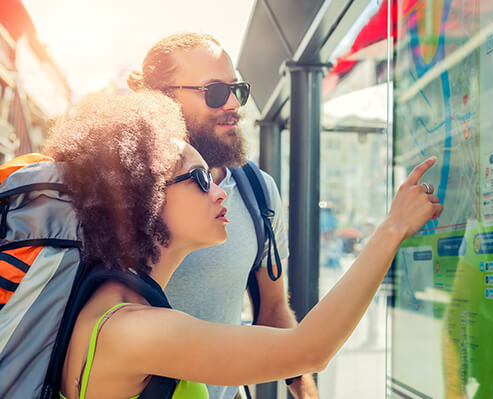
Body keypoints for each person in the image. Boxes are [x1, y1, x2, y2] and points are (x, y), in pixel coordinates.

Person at [43, 90, 442, 399]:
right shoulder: (133, 329)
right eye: (199, 179)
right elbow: (310, 349)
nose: (219, 192)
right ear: (143, 196)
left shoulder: (117, 301)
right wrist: (392, 229)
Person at [126, 33, 310, 398]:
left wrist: (306, 393)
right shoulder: (122, 192)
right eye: (214, 92)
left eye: (236, 90)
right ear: (161, 99)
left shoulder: (260, 192)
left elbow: (272, 311)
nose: (232, 105)